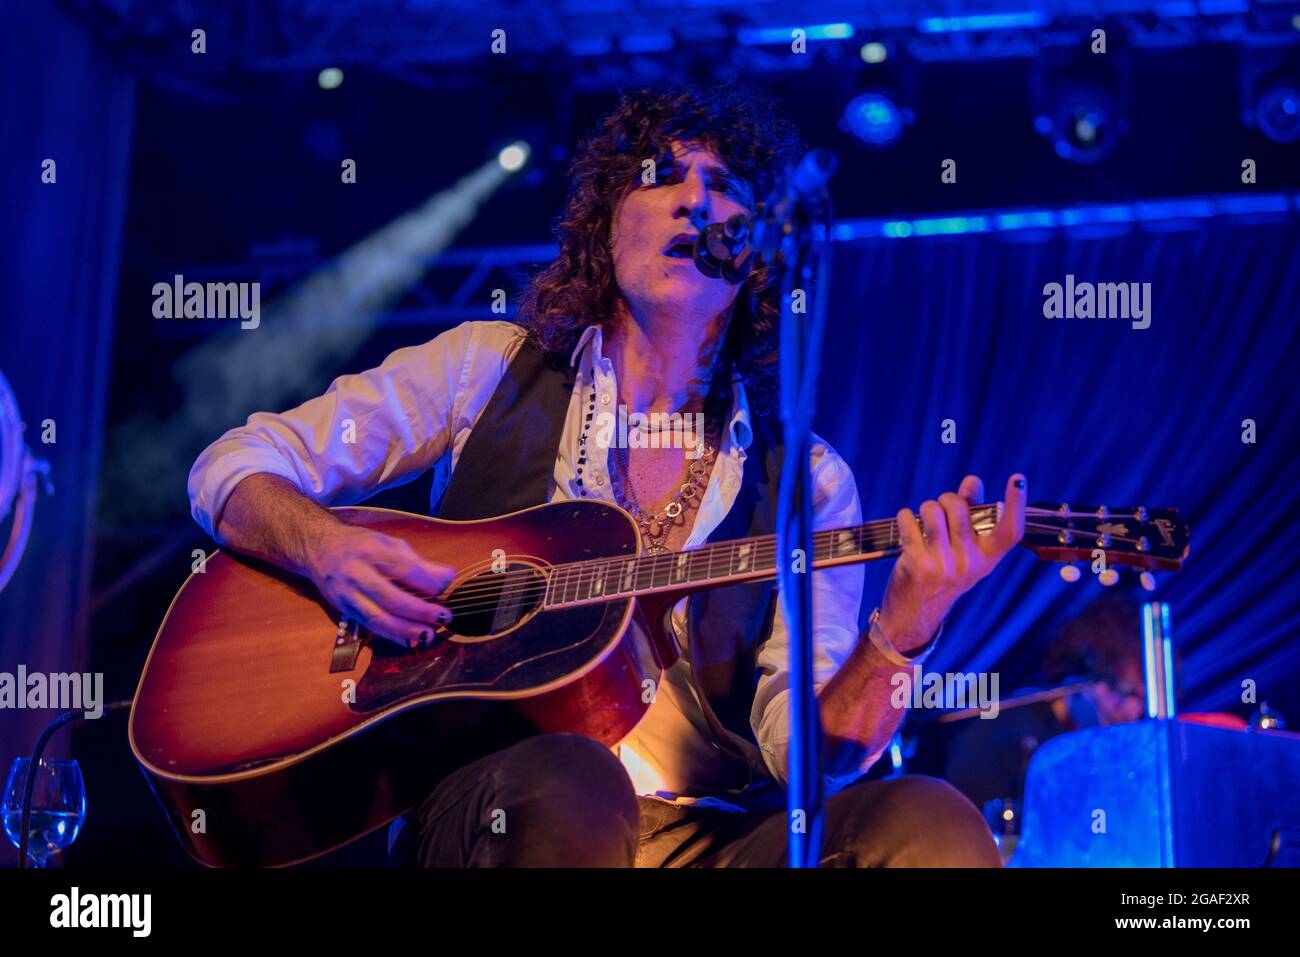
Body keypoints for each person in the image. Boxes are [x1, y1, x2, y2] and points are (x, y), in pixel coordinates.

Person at [187, 84, 1025, 867]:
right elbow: (231, 466)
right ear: (605, 222)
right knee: (575, 781)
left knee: (929, 820)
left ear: (759, 252)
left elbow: (804, 756)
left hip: (713, 832)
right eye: (662, 175)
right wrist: (328, 549)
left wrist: (904, 630)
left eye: (724, 185)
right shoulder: (489, 370)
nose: (695, 199)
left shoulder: (803, 476)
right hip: (500, 806)